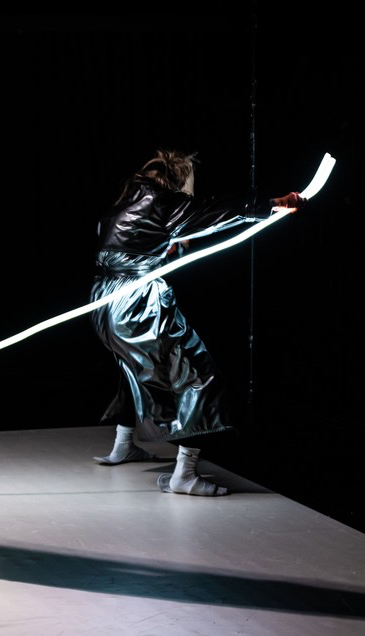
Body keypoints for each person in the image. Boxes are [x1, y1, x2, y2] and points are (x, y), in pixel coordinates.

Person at [91, 150, 302, 495]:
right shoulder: (164, 202)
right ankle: (184, 474)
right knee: (199, 378)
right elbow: (216, 211)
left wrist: (169, 242)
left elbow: (129, 248)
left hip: (103, 304)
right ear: (178, 180)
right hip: (135, 304)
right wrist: (273, 204)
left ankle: (123, 445)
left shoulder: (124, 204)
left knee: (133, 370)